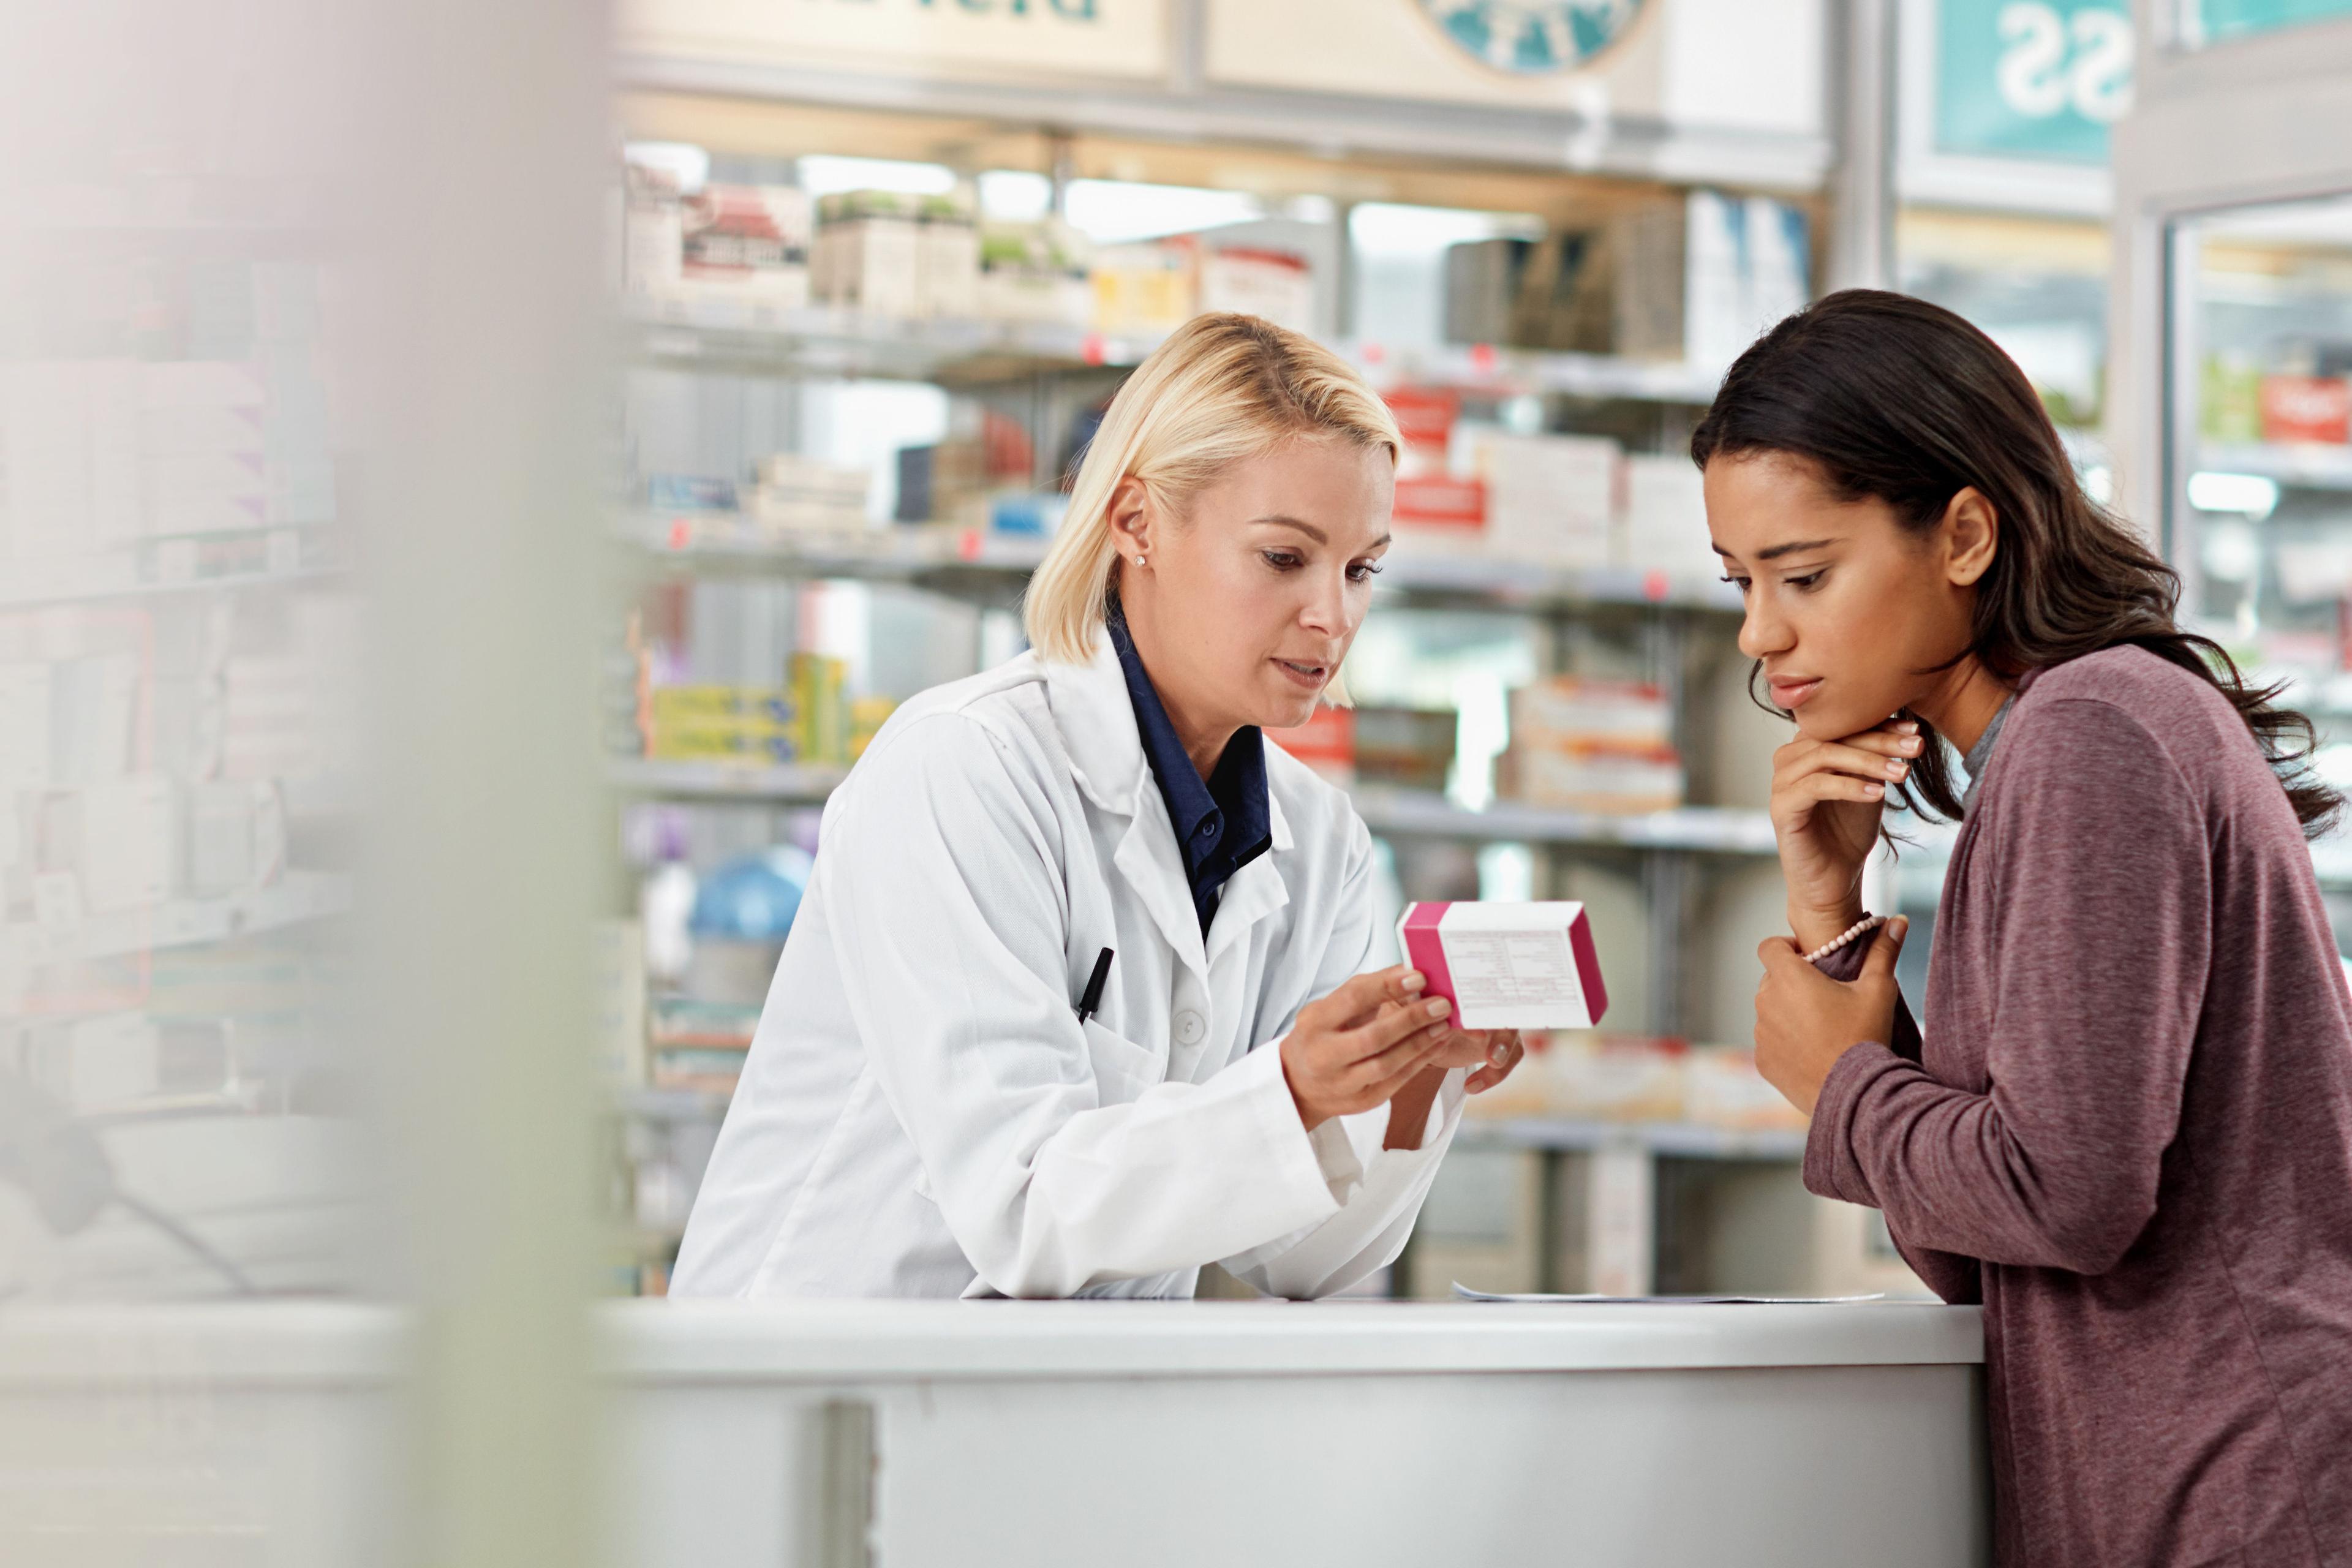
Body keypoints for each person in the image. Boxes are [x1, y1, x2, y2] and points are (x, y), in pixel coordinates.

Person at [672, 313, 1523, 1301]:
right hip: (813, 1382)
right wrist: (1291, 1089)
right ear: (1136, 524)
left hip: (1064, 1406)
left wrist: (1409, 1080)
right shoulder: (965, 769)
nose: (1332, 615)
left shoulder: (1320, 843)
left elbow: (1302, 1259)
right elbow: (1023, 1204)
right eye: (1285, 559)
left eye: (1361, 568)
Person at [1701, 289, 2352, 1566]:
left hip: (2244, 1490)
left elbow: (2068, 1197)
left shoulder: (2093, 729)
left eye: (1804, 574)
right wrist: (1831, 918)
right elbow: (1972, 1249)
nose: (1761, 633)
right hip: (2178, 1487)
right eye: (1743, 581)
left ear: (1963, 533)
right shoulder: (2053, 750)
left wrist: (1837, 1080)